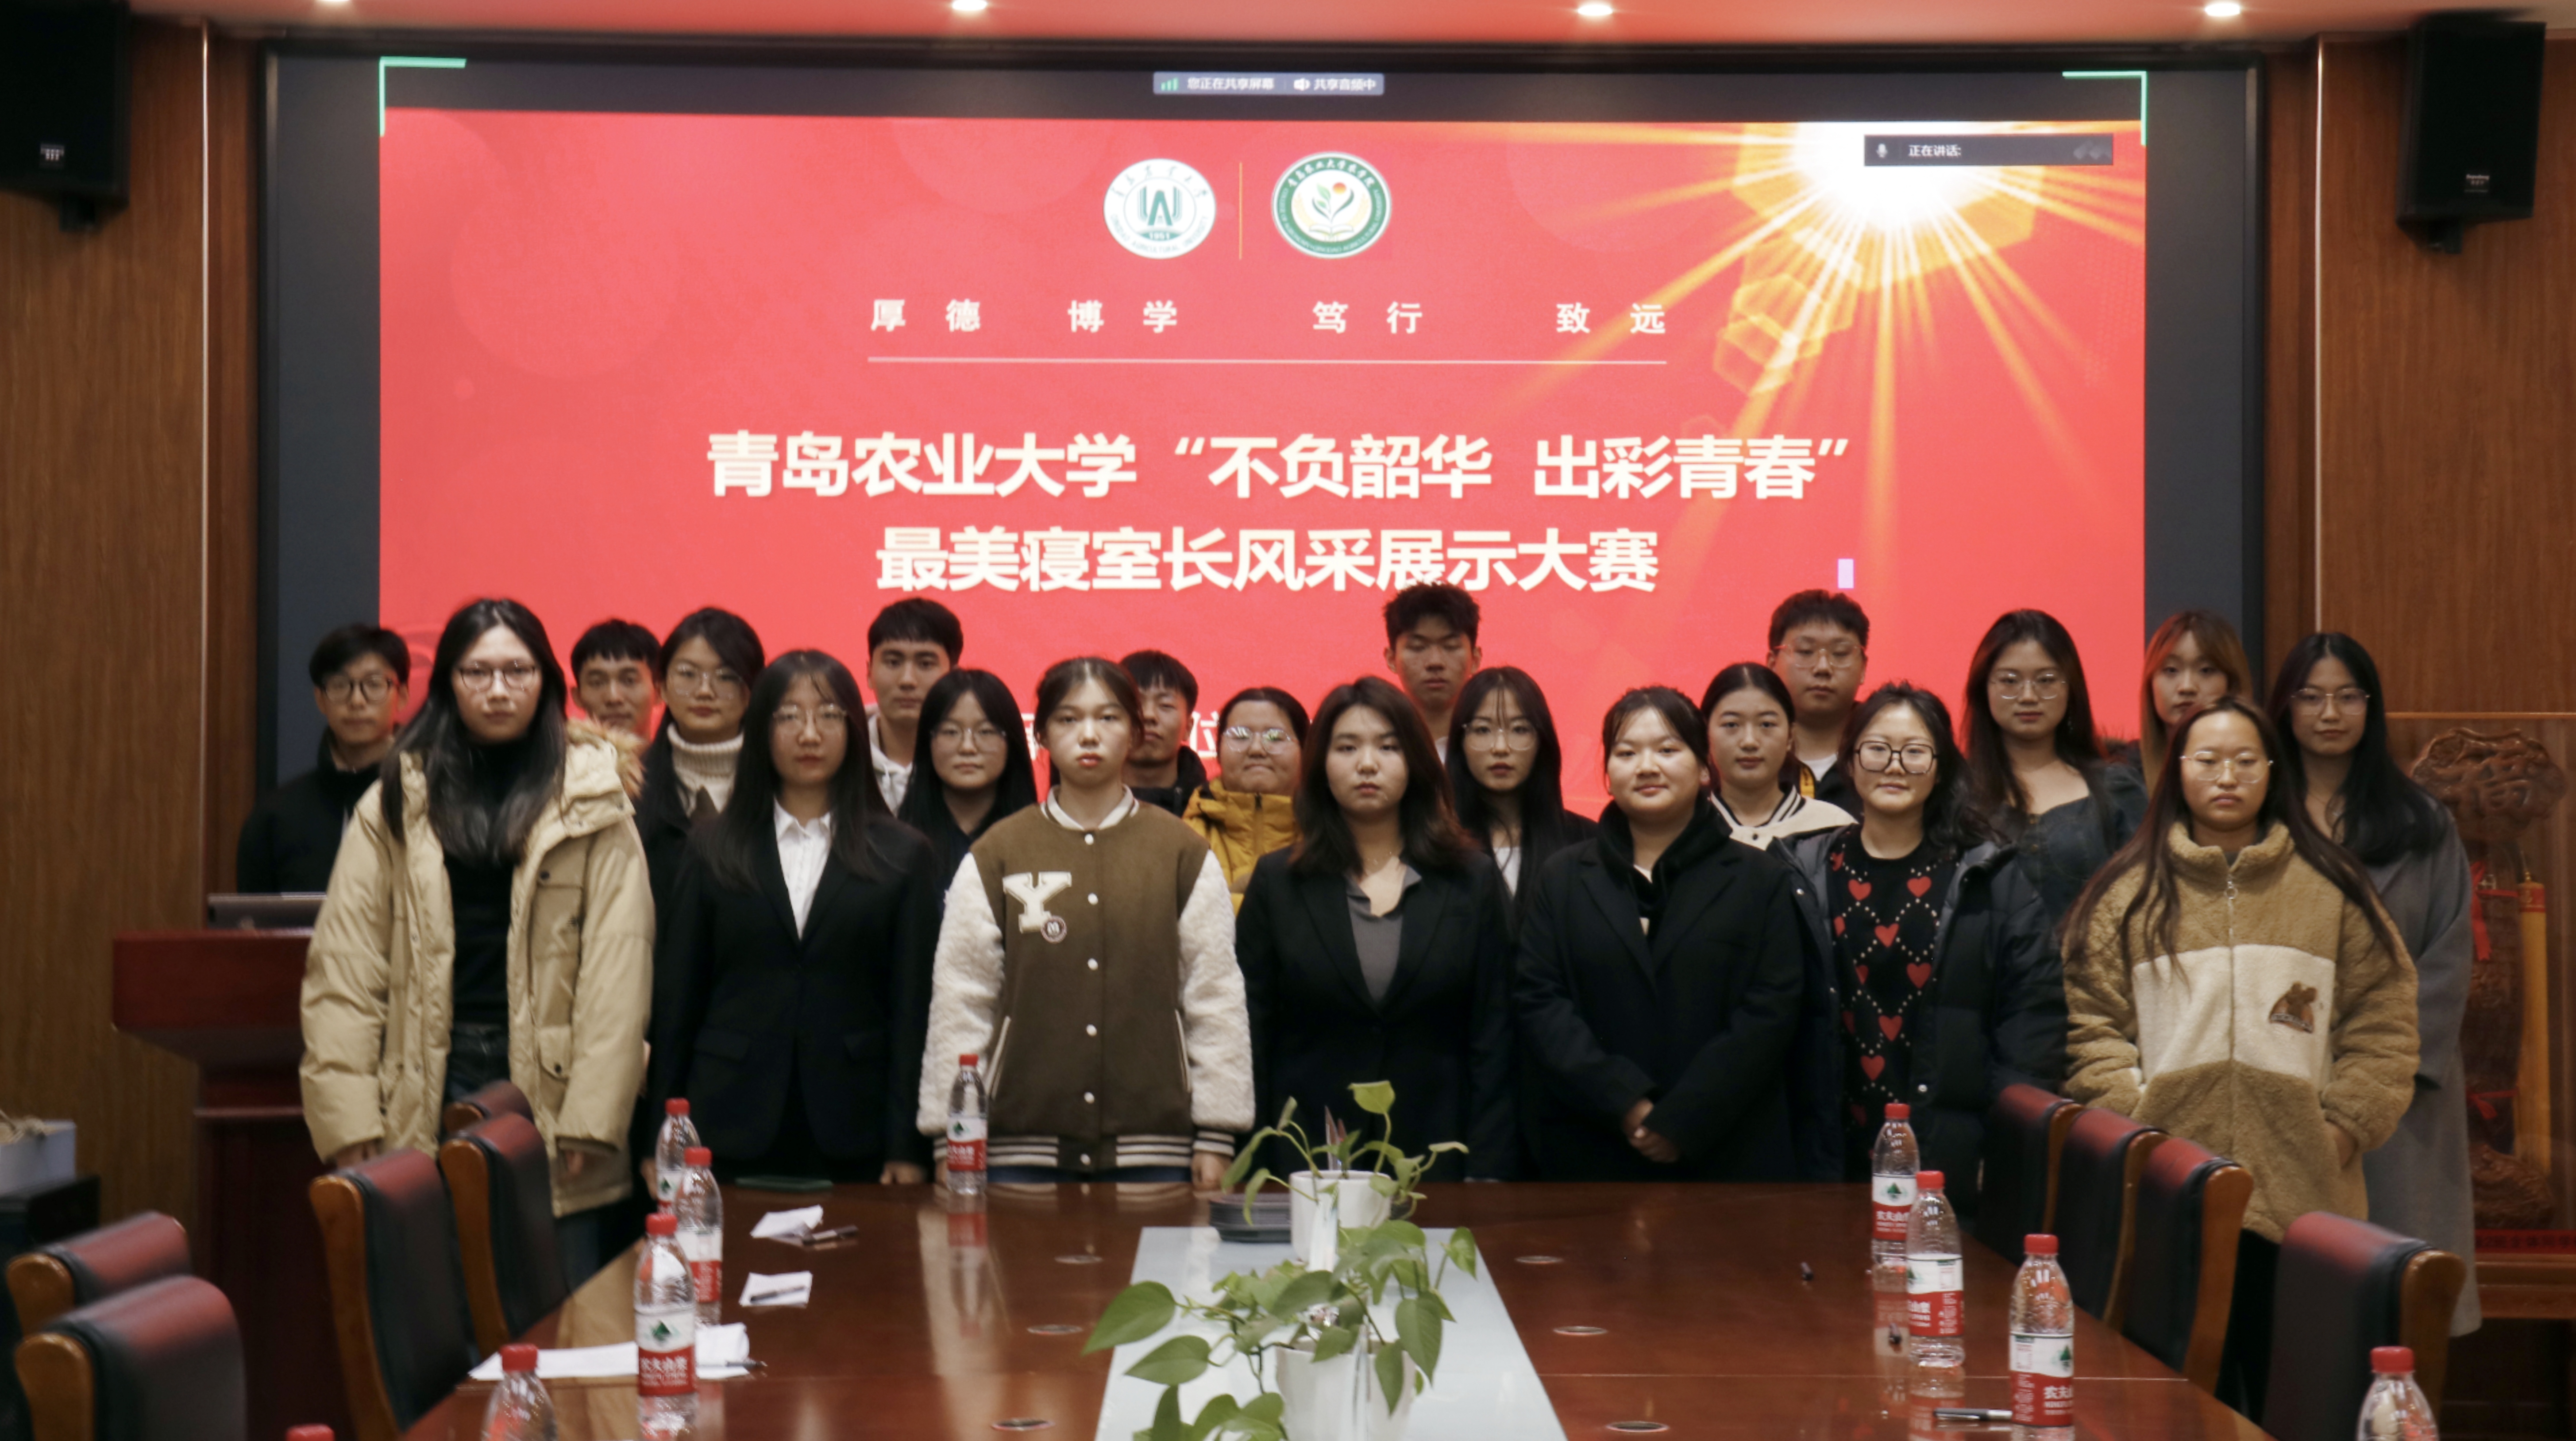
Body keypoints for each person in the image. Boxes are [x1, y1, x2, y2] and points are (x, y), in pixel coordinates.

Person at [2063, 696, 2416, 1414]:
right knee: (2181, 1405)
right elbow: (2092, 1029)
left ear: (2272, 771)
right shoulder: (2128, 893)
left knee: (2299, 1403)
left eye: (2246, 760)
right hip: (2171, 1196)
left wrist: (2343, 1129)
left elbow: (2385, 1020)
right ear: (2177, 771)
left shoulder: (2331, 887)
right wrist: (2139, 1128)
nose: (2227, 776)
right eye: (2208, 760)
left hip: (2304, 1197)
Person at [301, 598, 652, 1286]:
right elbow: (345, 969)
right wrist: (347, 1119)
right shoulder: (397, 797)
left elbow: (620, 968)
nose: (497, 690)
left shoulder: (595, 798)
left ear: (547, 682)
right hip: (427, 1070)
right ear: (448, 685)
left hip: (551, 1081)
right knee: (436, 1304)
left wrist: (592, 1116)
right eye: (477, 672)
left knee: (560, 1314)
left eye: (517, 671)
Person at [918, 657, 1253, 1187]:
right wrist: (951, 1133)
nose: (1089, 735)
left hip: (1157, 1143)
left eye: (1109, 718)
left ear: (1134, 732)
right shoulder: (998, 852)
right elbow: (962, 997)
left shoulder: (1182, 851)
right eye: (1069, 719)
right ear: (1042, 735)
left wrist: (1218, 1131)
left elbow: (1213, 994)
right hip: (1017, 1142)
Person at [651, 651, 946, 1184]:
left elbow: (913, 1013)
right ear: (760, 729)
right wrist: (659, 1135)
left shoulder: (903, 854)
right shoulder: (711, 847)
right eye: (788, 716)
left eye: (829, 715)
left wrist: (908, 1145)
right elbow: (677, 1002)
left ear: (854, 728)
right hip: (727, 1116)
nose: (810, 734)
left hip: (857, 1123)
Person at [2268, 632, 2479, 1335]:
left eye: (2347, 696)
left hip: (2397, 1092)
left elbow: (2448, 956)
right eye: (2311, 697)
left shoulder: (2422, 822)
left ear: (2371, 706)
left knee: (2396, 1303)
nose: (2330, 713)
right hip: (2284, 1076)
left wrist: (2379, 1066)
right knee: (2295, 1305)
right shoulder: (2259, 818)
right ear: (2286, 708)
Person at [1777, 683, 2064, 1196]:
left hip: (1953, 1156)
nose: (1894, 766)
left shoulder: (1991, 878)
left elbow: (2032, 1022)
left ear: (1941, 767)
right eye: (1877, 749)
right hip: (1825, 1154)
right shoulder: (1803, 872)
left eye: (1914, 752)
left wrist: (2007, 1143)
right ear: (1850, 761)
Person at [1514, 687, 1807, 1181]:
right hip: (1591, 1148)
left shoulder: (1761, 879)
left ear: (1705, 769)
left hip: (1727, 1152)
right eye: (1627, 753)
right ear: (1607, 775)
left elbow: (1771, 1009)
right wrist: (1624, 1101)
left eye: (1668, 750)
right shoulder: (1562, 877)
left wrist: (1684, 1118)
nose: (1647, 767)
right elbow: (1540, 1001)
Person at [1238, 677, 1518, 1181]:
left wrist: (1489, 1165)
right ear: (1321, 764)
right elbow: (1252, 1030)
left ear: (1416, 761)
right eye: (1347, 748)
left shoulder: (1470, 879)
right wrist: (1253, 1157)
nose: (1367, 764)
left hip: (1436, 1153)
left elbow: (1495, 1032)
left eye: (1388, 747)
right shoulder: (1278, 882)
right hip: (1307, 1158)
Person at [1959, 610, 2147, 934]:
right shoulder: (1957, 794)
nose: (2028, 696)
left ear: (2071, 688)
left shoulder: (2116, 790)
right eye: (2010, 681)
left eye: (2046, 681)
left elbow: (2148, 904)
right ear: (1983, 687)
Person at [238, 624, 411, 893]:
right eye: (340, 686)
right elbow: (253, 917)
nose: (357, 701)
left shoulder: (433, 801)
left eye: (374, 685)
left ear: (402, 696)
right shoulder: (276, 817)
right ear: (320, 699)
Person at [636, 608, 767, 913]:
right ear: (661, 687)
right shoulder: (629, 787)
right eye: (687, 674)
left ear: (754, 690)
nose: (705, 691)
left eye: (726, 677)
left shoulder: (782, 786)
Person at [1446, 667, 1597, 911]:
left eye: (1519, 729)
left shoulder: (1587, 842)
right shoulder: (1437, 844)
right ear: (1460, 742)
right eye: (1483, 730)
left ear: (1542, 741)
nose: (1501, 748)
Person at [896, 668, 1040, 880]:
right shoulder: (893, 846)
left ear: (1012, 742)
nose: (968, 747)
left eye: (986, 732)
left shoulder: (1041, 842)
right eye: (951, 732)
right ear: (928, 742)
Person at [1699, 662, 1853, 849]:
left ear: (1790, 736)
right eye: (1731, 725)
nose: (1749, 742)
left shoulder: (1834, 827)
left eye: (1767, 725)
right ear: (1705, 735)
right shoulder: (1684, 829)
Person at [1182, 687, 1309, 910]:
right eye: (1241, 736)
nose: (1257, 749)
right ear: (1218, 750)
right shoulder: (1184, 837)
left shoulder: (1332, 835)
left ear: (1307, 751)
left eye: (1275, 737)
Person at [1766, 590, 1871, 813]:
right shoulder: (1747, 750)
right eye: (1806, 652)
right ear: (1773, 665)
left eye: (1840, 653)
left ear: (1863, 668)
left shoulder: (1890, 751)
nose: (1823, 667)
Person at [2134, 609, 2257, 795]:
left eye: (2206, 670)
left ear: (2232, 684)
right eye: (2171, 670)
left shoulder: (2261, 772)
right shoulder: (2123, 779)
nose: (2187, 687)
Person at [863, 598, 962, 814]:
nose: (907, 680)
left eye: (926, 664)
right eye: (893, 662)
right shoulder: (837, 756)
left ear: (954, 676)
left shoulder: (973, 759)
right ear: (869, 673)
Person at [1382, 584, 1482, 759]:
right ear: (1392, 659)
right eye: (1418, 647)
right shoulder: (1374, 746)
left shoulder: (1497, 745)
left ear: (1475, 659)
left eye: (1451, 646)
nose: (1435, 662)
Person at [569, 618, 658, 802]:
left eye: (629, 681)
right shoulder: (560, 776)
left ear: (659, 691)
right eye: (597, 683)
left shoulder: (682, 773)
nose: (614, 698)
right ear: (578, 696)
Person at [1121, 648, 1209, 817]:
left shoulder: (1216, 811)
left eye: (1165, 706)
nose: (1148, 715)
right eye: (1136, 704)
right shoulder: (1079, 806)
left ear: (1188, 727)